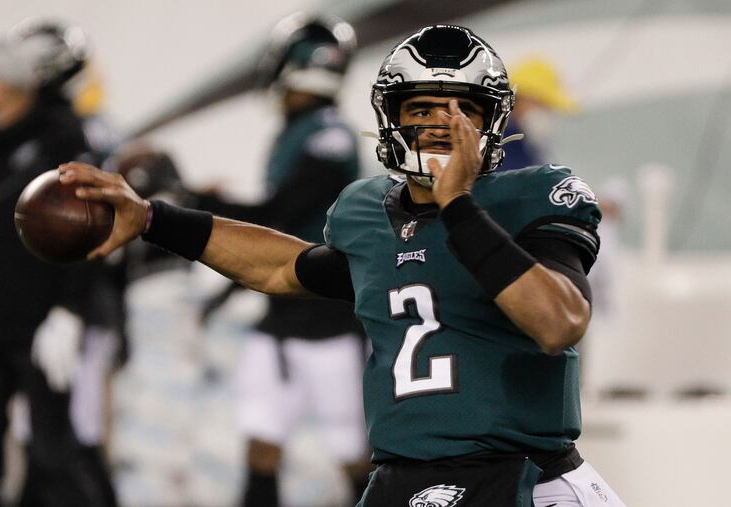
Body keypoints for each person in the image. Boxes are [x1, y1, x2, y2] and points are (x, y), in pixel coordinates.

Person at [61, 24, 626, 507]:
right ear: (390, 118)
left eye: (461, 110)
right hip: (406, 477)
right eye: (421, 109)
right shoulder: (369, 214)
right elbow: (282, 267)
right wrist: (154, 219)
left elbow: (560, 322)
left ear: (492, 120)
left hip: (527, 478)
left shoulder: (533, 196)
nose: (440, 125)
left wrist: (458, 206)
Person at [194, 13, 371, 506]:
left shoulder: (329, 136)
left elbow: (276, 216)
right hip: (281, 320)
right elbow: (273, 239)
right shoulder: (299, 132)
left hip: (328, 322)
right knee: (261, 445)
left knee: (353, 455)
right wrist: (226, 291)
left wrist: (191, 202)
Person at [0, 34, 116, 507]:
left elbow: (93, 228)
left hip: (42, 324)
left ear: (7, 84)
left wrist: (70, 309)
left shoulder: (65, 140)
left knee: (55, 453)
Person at [500, 57, 578, 171]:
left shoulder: (524, 146)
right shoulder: (498, 150)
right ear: (521, 99)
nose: (548, 116)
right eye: (544, 106)